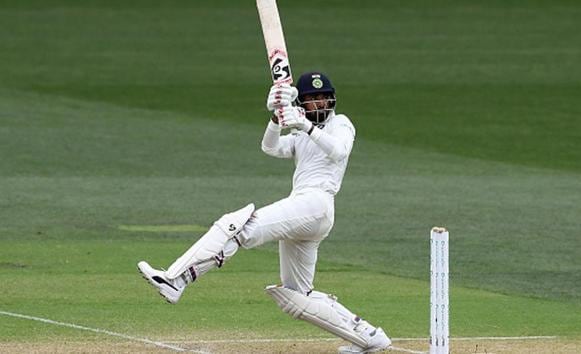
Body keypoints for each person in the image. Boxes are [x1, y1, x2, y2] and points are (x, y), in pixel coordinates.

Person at [137, 72, 392, 353]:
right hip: (306, 211)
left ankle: (178, 278)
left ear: (331, 99)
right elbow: (269, 147)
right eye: (311, 99)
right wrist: (275, 117)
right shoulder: (299, 132)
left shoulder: (341, 123)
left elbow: (339, 151)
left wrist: (305, 125)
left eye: (323, 97)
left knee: (237, 226)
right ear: (303, 102)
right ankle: (369, 338)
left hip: (317, 204)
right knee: (296, 294)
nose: (318, 103)